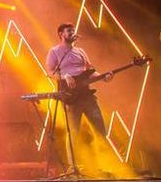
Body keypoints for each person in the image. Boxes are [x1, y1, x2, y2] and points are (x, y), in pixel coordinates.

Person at [45, 23, 112, 166]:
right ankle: (73, 166)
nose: (72, 33)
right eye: (69, 31)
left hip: (87, 95)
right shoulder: (55, 51)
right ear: (61, 34)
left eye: (73, 30)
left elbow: (90, 70)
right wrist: (65, 77)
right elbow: (49, 72)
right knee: (73, 132)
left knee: (100, 129)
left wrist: (103, 77)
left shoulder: (80, 51)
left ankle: (104, 164)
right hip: (70, 97)